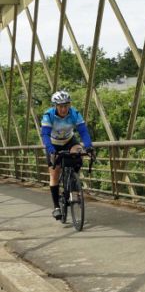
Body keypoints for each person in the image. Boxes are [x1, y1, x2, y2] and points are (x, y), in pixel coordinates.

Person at [41, 91, 94, 220]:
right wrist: (51, 150)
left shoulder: (74, 113)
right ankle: (56, 207)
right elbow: (45, 134)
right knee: (54, 174)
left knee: (79, 153)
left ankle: (73, 182)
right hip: (53, 144)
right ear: (55, 106)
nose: (64, 109)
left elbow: (83, 131)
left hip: (69, 141)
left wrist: (89, 146)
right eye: (60, 106)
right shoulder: (48, 115)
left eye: (66, 106)